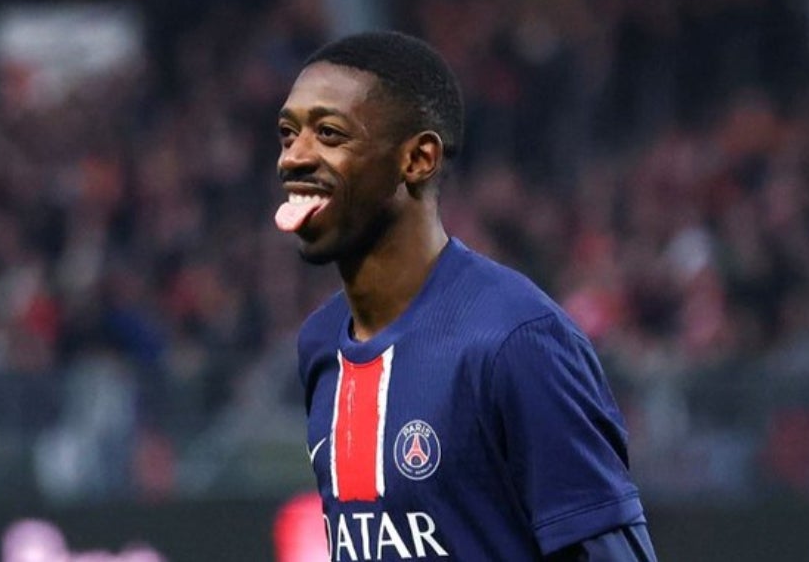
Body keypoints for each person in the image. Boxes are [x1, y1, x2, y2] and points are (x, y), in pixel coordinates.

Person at [274, 30, 657, 561]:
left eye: (330, 134)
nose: (293, 157)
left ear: (418, 158)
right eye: (288, 134)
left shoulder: (516, 340)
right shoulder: (320, 344)